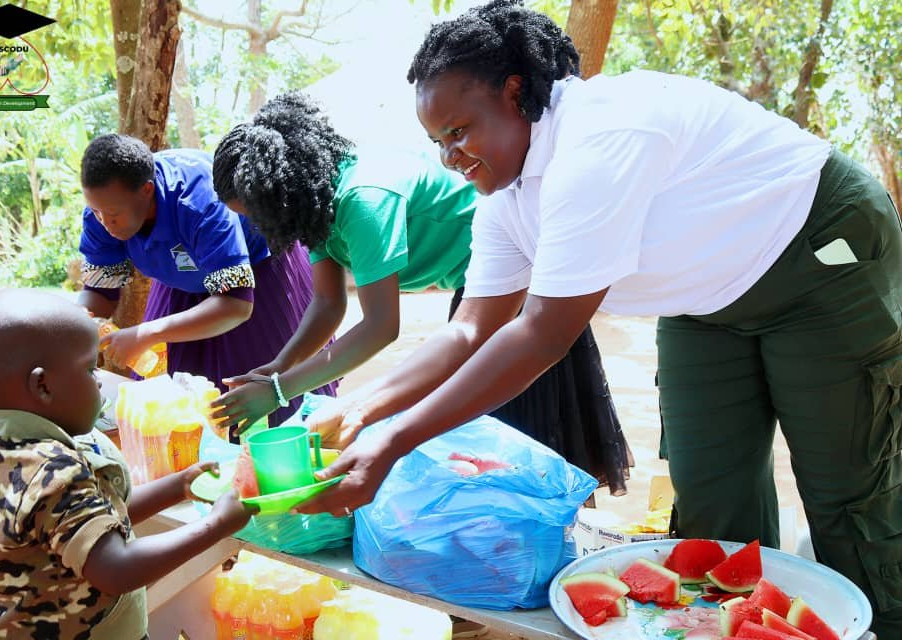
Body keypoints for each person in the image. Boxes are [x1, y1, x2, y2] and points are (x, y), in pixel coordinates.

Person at [295, 1, 902, 636]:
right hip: (704, 302)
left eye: (459, 130)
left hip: (817, 256)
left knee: (847, 496)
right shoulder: (504, 195)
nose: (450, 156)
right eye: (438, 142)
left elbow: (541, 335)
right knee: (710, 500)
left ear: (514, 92)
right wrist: (361, 411)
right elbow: (470, 329)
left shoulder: (597, 139)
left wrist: (394, 441)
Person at [210, 92, 632, 493]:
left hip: (511, 286)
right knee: (484, 451)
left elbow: (381, 326)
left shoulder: (363, 198)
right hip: (476, 290)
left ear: (283, 193)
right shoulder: (316, 211)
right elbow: (327, 304)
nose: (258, 228)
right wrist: (278, 369)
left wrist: (281, 392)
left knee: (523, 446)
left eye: (257, 215)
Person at [0, 289, 256, 639]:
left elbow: (104, 516)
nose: (98, 380)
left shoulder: (13, 446)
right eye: (90, 368)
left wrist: (178, 486)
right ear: (43, 386)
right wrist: (216, 526)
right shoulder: (50, 471)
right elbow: (116, 569)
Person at [77, 133, 336, 429]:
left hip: (257, 275)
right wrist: (80, 322)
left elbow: (236, 305)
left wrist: (148, 333)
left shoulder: (199, 202)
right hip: (183, 281)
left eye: (113, 214)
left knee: (258, 401)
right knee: (169, 406)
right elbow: (99, 292)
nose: (104, 223)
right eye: (95, 211)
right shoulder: (103, 211)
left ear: (147, 190)